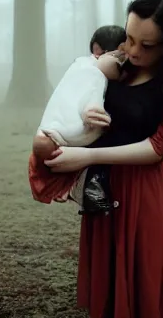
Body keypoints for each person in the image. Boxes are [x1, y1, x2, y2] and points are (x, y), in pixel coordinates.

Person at [33, 0, 163, 318]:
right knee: (112, 297)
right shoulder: (117, 64)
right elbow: (79, 88)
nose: (134, 51)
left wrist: (88, 155)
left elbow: (159, 147)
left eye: (147, 45)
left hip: (143, 195)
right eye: (129, 38)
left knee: (144, 295)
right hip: (102, 192)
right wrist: (87, 108)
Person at [32, 25, 126, 214]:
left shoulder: (82, 67)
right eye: (120, 56)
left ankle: (81, 187)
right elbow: (88, 93)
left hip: (56, 134)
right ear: (99, 51)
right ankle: (82, 188)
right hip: (68, 131)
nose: (124, 64)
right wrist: (91, 109)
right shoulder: (91, 71)